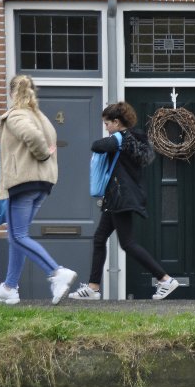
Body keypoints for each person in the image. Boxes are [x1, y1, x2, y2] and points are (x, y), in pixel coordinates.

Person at [69, 101, 178, 301]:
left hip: (121, 196)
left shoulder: (120, 138)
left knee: (127, 243)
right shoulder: (133, 139)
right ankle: (93, 287)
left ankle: (165, 279)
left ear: (117, 122)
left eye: (107, 123)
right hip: (117, 197)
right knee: (100, 238)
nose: (106, 127)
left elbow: (97, 145)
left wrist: (114, 137)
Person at [0, 75, 77, 305]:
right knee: (18, 237)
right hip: (42, 184)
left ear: (13, 93)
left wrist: (42, 153)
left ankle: (56, 272)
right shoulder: (40, 116)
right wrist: (45, 154)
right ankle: (10, 287)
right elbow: (48, 139)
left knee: (18, 235)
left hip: (23, 182)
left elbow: (33, 137)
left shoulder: (16, 114)